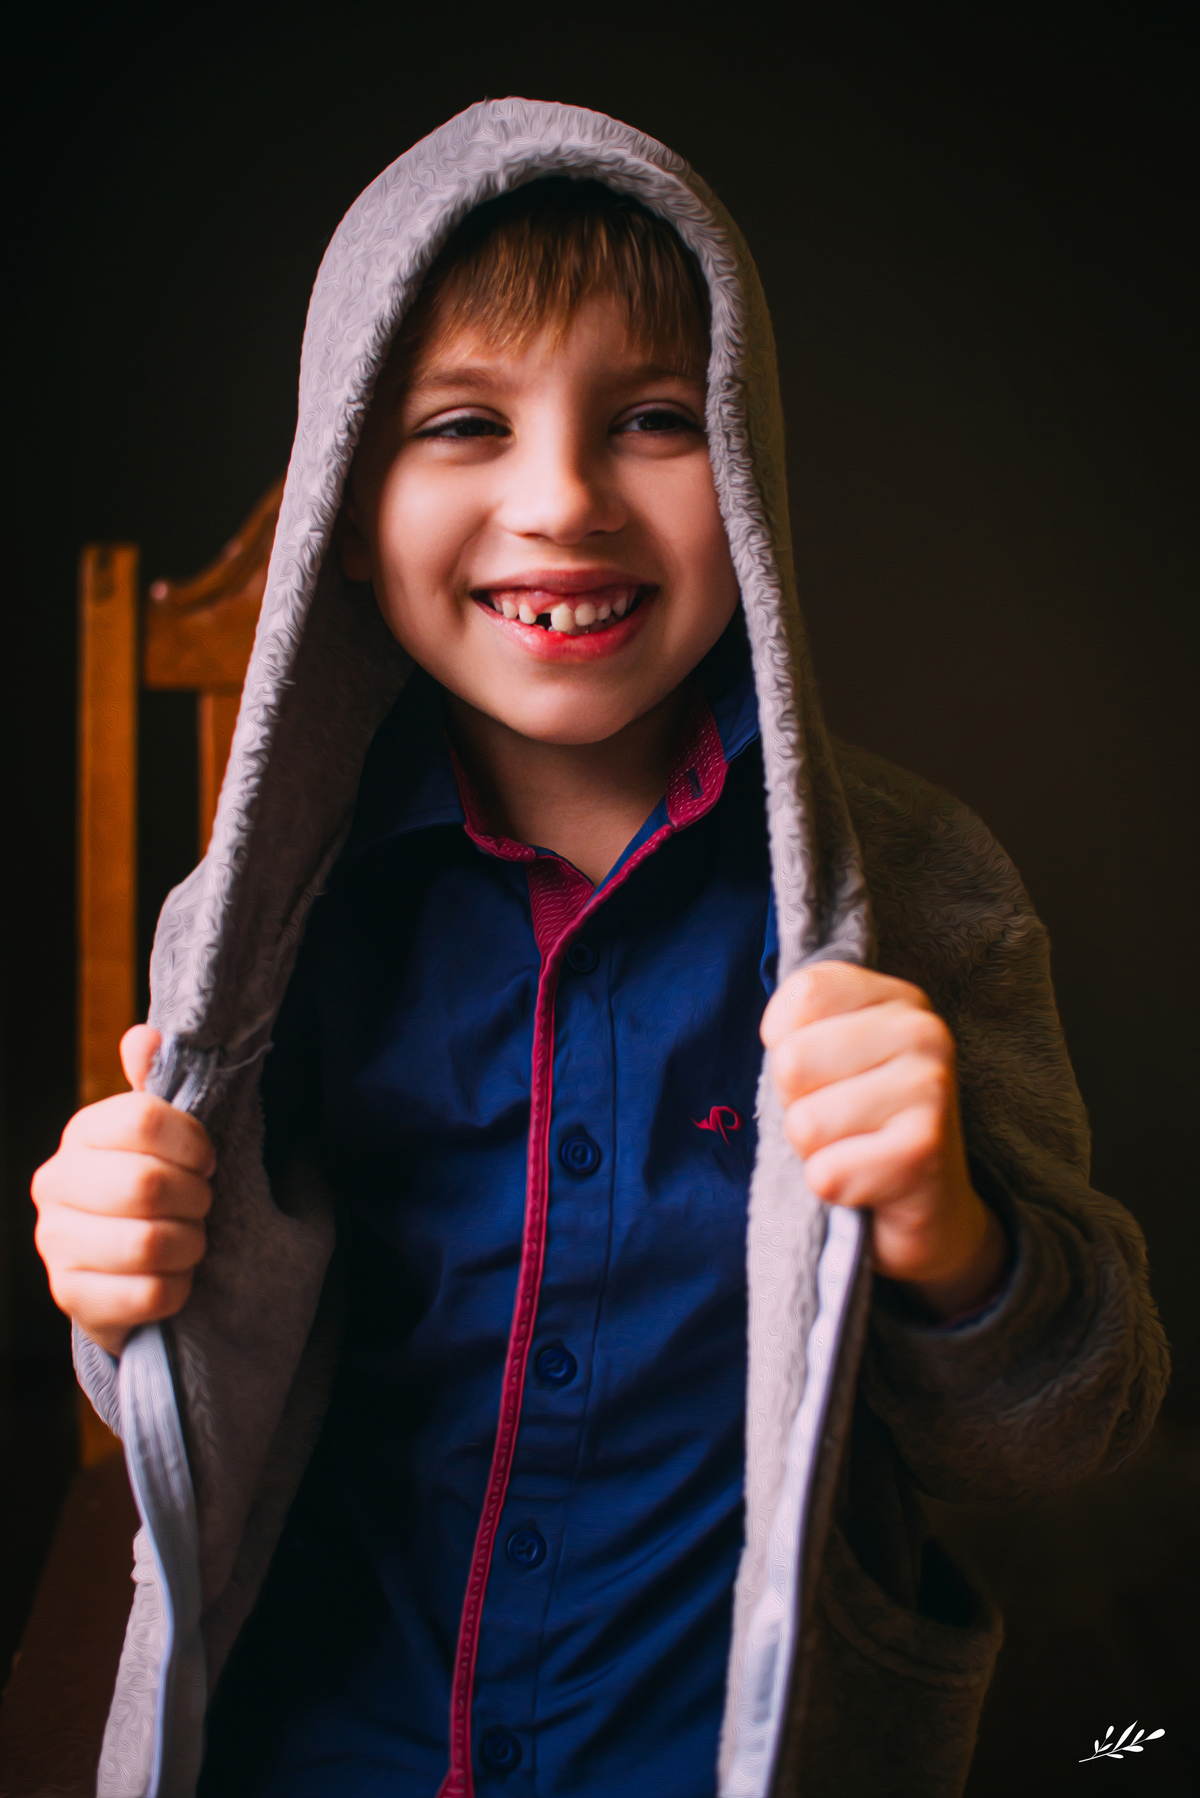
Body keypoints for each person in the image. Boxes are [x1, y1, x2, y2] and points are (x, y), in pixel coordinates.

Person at [31, 101, 1167, 1798]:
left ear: (754, 473)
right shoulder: (267, 913)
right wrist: (118, 1282)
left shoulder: (918, 895)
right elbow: (177, 1410)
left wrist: (948, 1231)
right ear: (347, 498)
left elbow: (1072, 1427)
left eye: (651, 418)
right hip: (330, 1739)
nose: (560, 500)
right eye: (463, 424)